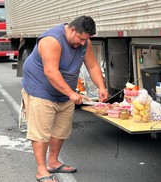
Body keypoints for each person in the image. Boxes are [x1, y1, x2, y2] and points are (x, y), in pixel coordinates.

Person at [21, 16, 109, 182]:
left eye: (86, 40)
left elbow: (92, 66)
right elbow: (51, 72)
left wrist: (101, 87)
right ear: (72, 29)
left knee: (61, 129)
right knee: (41, 131)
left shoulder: (84, 43)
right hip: (40, 88)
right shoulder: (51, 41)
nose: (83, 43)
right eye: (81, 38)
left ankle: (53, 162)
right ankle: (41, 170)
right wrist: (71, 94)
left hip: (64, 91)